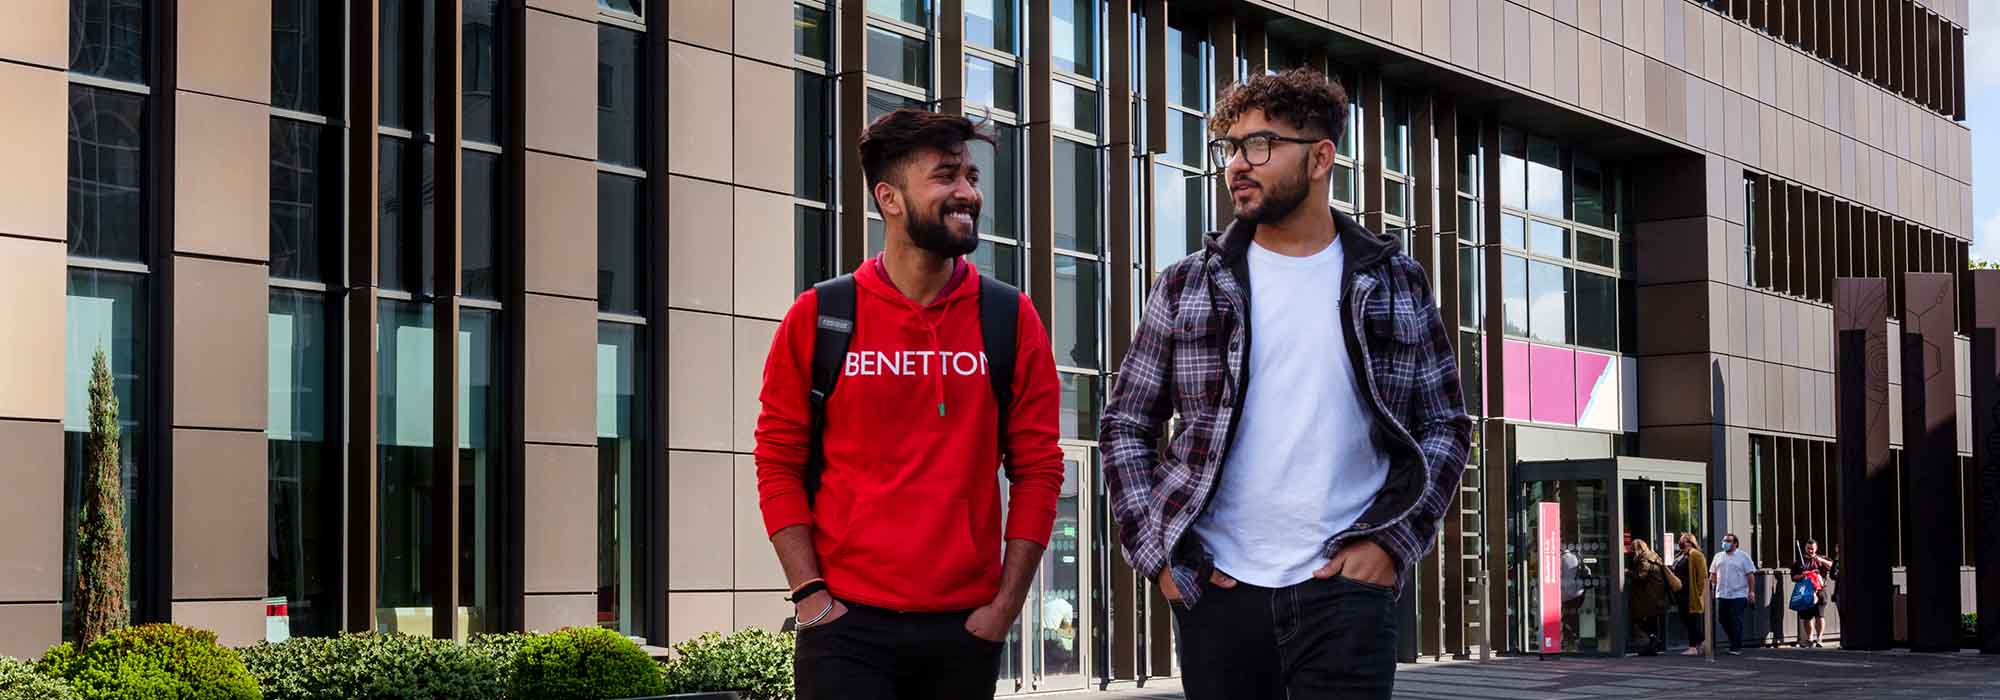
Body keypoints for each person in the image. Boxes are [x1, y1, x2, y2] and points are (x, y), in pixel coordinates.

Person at [1100, 68, 1472, 700]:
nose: (1238, 165)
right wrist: (1159, 556)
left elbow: (1445, 426)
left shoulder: (1394, 281)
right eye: (1232, 147)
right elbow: (1125, 425)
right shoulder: (1187, 284)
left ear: (1321, 158)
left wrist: (1391, 544)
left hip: (1346, 593)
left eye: (1261, 145)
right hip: (1218, 590)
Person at [753, 109, 1066, 699]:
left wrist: (1003, 608)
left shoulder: (1007, 317)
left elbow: (1040, 468)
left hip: (964, 629)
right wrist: (809, 595)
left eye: (972, 177)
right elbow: (777, 460)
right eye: (946, 176)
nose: (968, 193)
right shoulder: (820, 316)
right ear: (889, 198)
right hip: (845, 626)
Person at [1709, 532, 1758, 655]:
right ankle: (1733, 640)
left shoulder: (1743, 556)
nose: (1725, 543)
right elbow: (1713, 574)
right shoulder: (1718, 556)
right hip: (1722, 593)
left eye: (1729, 541)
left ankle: (1736, 646)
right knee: (1723, 619)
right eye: (1724, 540)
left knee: (1736, 619)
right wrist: (1711, 589)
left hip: (1739, 593)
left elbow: (1750, 575)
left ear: (1735, 543)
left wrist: (1751, 592)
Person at [1626, 539, 1669, 656]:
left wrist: (1627, 572)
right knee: (1652, 621)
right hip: (1656, 595)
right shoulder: (1653, 555)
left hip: (1649, 596)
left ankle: (1653, 640)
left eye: (1632, 550)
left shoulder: (1644, 558)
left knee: (1637, 619)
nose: (1631, 552)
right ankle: (1652, 645)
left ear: (1637, 549)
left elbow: (1641, 576)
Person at [1791, 539, 1835, 648]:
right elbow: (1793, 577)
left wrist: (1820, 560)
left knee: (1820, 615)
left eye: (1812, 549)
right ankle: (1810, 638)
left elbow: (1833, 567)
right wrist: (1802, 575)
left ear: (1816, 549)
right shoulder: (1799, 561)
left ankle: (1819, 638)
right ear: (1805, 548)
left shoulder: (1821, 559)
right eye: (1808, 549)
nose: (1810, 551)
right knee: (1807, 617)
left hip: (1820, 590)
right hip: (1805, 592)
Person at [1674, 533, 1710, 656]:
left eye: (1683, 540)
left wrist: (1699, 592)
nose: (1681, 543)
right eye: (1680, 541)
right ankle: (1701, 642)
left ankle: (1693, 646)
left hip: (1690, 593)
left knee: (1691, 620)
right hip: (1680, 593)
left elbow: (1702, 576)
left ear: (1690, 542)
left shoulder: (1696, 555)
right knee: (1685, 619)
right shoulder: (1680, 556)